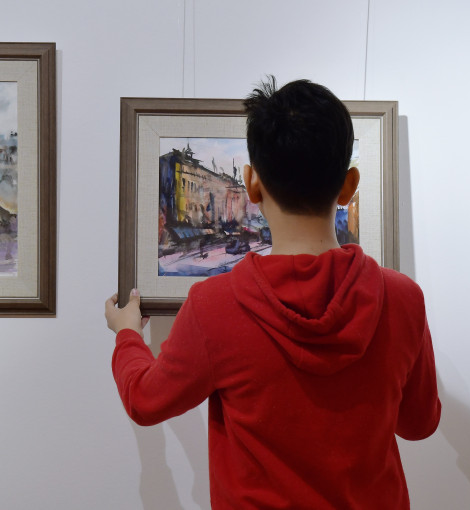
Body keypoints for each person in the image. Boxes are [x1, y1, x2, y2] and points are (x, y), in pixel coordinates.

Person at [104, 77, 440, 509]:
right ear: (349, 185)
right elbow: (419, 424)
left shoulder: (214, 307)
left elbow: (144, 400)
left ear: (252, 183)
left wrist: (127, 334)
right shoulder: (404, 299)